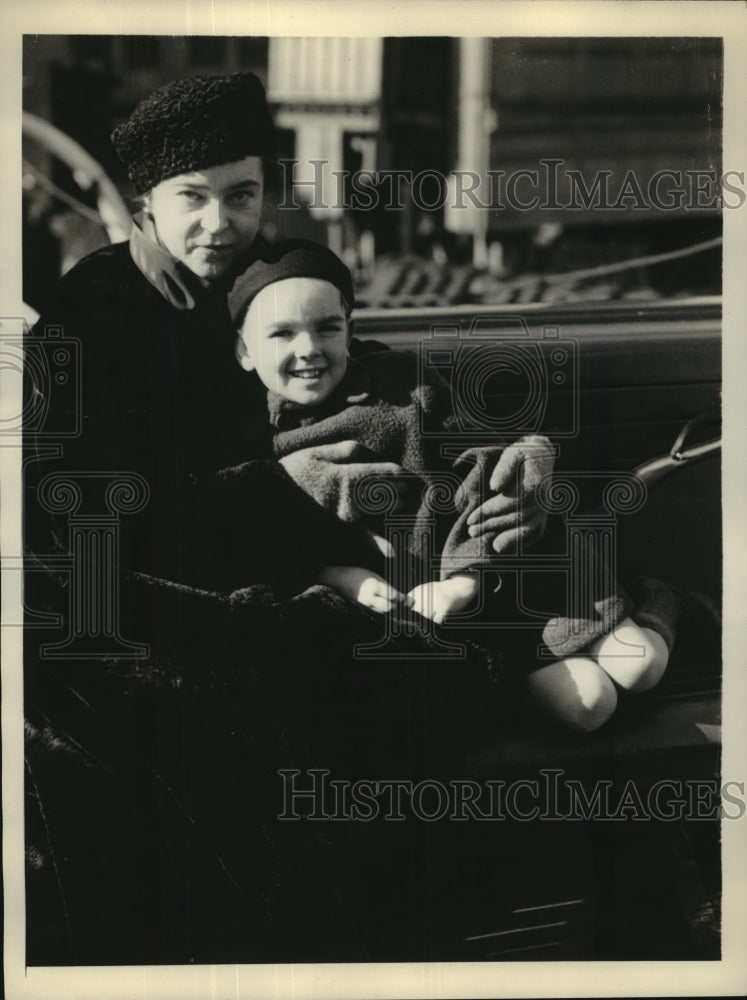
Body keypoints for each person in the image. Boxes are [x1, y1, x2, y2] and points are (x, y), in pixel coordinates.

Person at [22, 73, 554, 964]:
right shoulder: (88, 320)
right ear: (145, 204)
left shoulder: (255, 280)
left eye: (241, 195)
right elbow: (75, 516)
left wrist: (516, 450)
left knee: (396, 677)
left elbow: (360, 376)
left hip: (278, 574)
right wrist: (279, 486)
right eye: (191, 200)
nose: (218, 223)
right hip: (139, 603)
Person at [231, 240, 691, 735]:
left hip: (512, 565)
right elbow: (285, 542)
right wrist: (341, 576)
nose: (308, 349)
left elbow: (480, 462)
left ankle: (663, 600)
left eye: (327, 328)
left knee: (639, 666)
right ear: (244, 351)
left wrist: (465, 578)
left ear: (350, 332)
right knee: (589, 707)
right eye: (281, 333)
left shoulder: (403, 387)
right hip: (447, 615)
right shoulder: (258, 445)